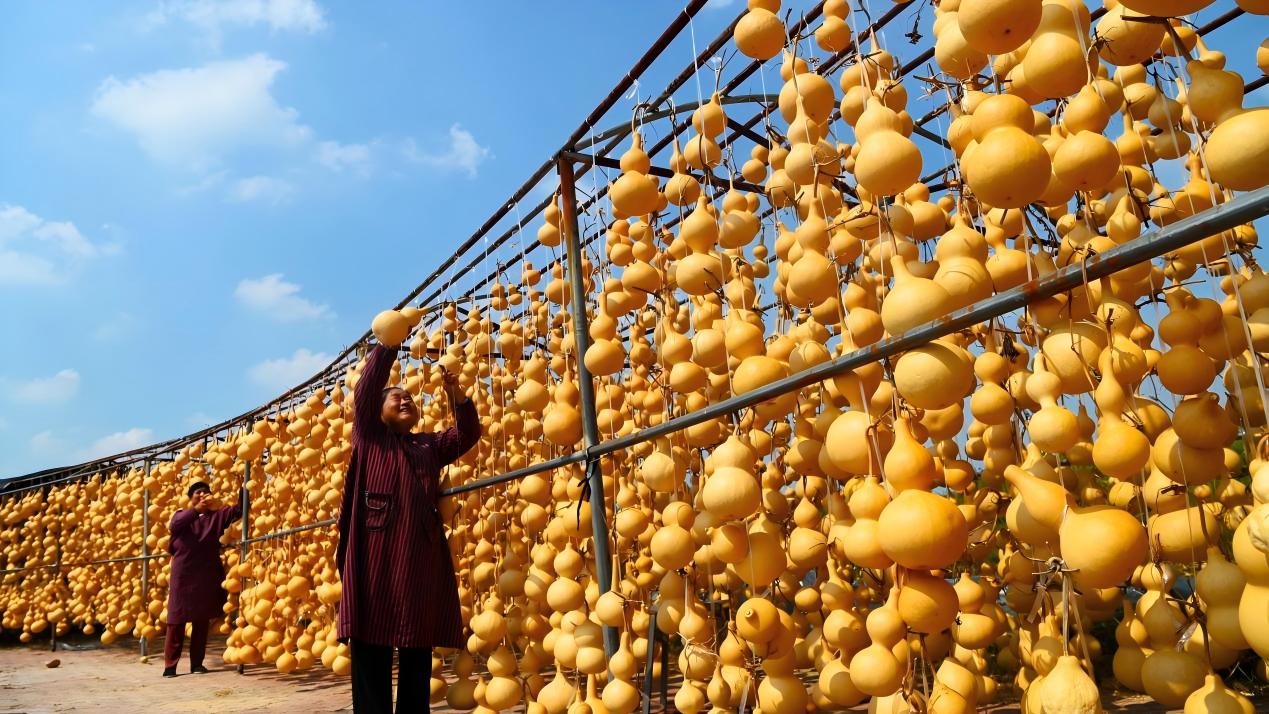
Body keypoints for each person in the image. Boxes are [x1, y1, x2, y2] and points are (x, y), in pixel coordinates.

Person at [337, 342, 480, 713]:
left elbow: (467, 434)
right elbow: (366, 392)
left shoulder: (428, 445)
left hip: (417, 558)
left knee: (417, 650)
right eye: (395, 397)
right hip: (375, 558)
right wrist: (389, 344)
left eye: (410, 398)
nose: (405, 400)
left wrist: (457, 394)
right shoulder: (369, 437)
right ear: (377, 411)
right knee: (371, 646)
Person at [164, 479, 242, 677]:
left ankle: (197, 664)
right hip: (183, 573)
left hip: (206, 573)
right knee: (176, 619)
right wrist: (196, 510)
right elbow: (174, 525)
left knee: (201, 620)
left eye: (205, 492)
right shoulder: (181, 515)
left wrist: (243, 484)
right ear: (190, 498)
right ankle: (170, 666)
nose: (202, 494)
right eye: (198, 492)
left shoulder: (217, 517)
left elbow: (238, 510)